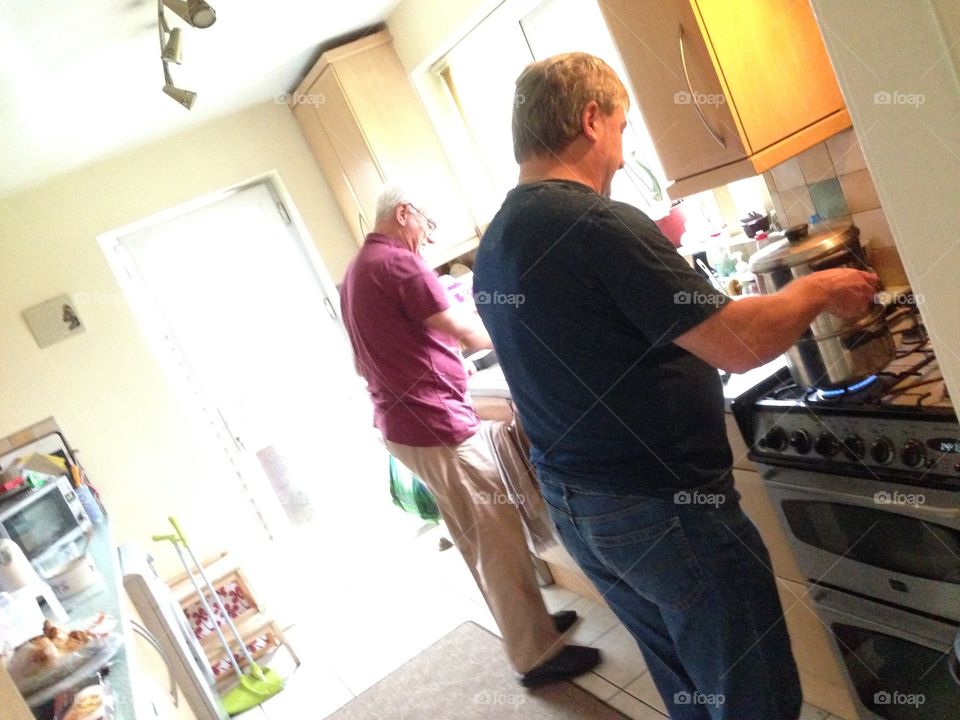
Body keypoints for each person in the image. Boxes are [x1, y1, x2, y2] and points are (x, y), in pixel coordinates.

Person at [473, 53, 878, 720]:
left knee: (692, 689)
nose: (622, 146)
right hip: (662, 511)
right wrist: (820, 287)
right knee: (754, 698)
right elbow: (736, 343)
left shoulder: (500, 237)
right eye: (624, 126)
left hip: (582, 508)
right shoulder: (594, 222)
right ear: (591, 118)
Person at [338, 184, 601, 687]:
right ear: (405, 213)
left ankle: (530, 628)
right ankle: (537, 657)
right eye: (429, 227)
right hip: (434, 426)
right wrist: (531, 327)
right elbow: (469, 332)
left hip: (404, 428)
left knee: (474, 536)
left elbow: (358, 363)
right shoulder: (398, 264)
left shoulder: (357, 272)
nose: (430, 240)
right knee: (495, 536)